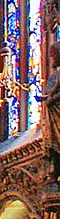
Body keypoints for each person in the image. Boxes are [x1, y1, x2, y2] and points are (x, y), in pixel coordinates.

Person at [39, 40, 60, 181]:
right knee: (53, 147)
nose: (52, 58)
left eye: (54, 55)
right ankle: (55, 170)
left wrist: (51, 99)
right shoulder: (54, 76)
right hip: (51, 117)